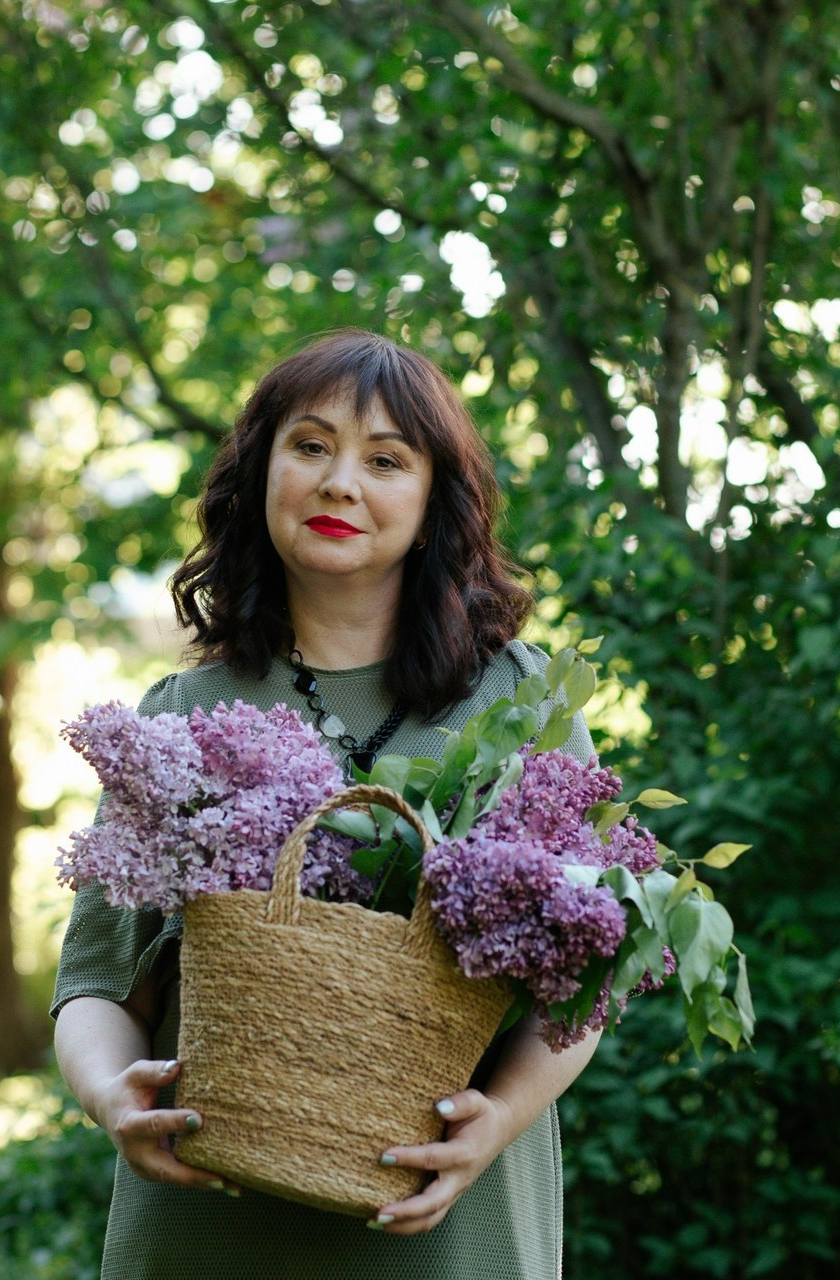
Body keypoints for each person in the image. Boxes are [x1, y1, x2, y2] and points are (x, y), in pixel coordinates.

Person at [52, 329, 602, 1280]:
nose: (340, 482)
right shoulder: (183, 716)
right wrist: (112, 1098)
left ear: (434, 505)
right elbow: (98, 983)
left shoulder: (523, 702)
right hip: (210, 1234)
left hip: (445, 1237)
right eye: (309, 446)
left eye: (386, 460)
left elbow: (589, 976)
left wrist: (498, 1121)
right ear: (260, 475)